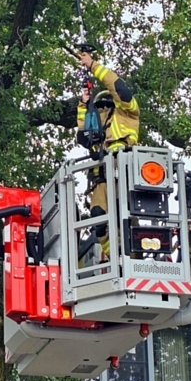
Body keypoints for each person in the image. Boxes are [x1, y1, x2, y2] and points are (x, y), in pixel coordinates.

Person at [75, 51, 140, 259]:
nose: (101, 111)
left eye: (104, 108)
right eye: (99, 108)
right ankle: (115, 256)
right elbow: (84, 134)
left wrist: (93, 65)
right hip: (101, 177)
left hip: (125, 170)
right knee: (98, 219)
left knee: (128, 218)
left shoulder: (128, 112)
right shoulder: (98, 128)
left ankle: (132, 256)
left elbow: (118, 88)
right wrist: (84, 104)